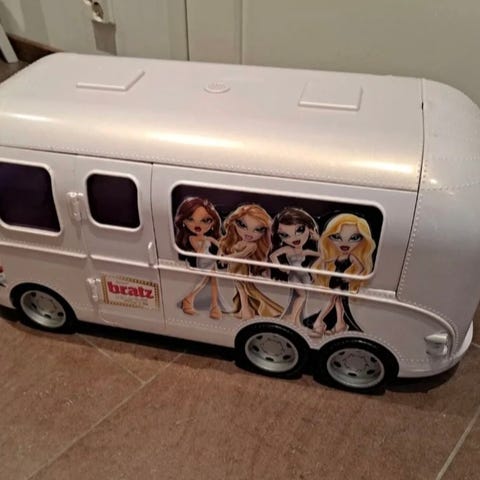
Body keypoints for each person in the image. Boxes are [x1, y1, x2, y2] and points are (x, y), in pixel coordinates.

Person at [306, 213, 376, 336]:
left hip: (341, 282)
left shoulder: (351, 256)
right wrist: (319, 241)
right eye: (336, 237)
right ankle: (340, 325)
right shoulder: (339, 256)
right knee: (338, 303)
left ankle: (318, 323)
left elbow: (361, 268)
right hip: (334, 279)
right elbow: (326, 259)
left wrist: (350, 278)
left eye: (355, 238)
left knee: (331, 300)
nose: (345, 243)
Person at [220, 204, 282, 320]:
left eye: (258, 230)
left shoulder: (252, 245)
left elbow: (242, 255)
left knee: (243, 290)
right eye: (242, 225)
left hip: (241, 268)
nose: (249, 233)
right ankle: (242, 310)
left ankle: (246, 312)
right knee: (240, 289)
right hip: (234, 267)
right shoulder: (238, 240)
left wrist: (227, 258)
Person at [270, 207, 321, 325]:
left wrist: (318, 239)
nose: (294, 238)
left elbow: (322, 254)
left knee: (307, 296)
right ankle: (292, 317)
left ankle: (298, 319)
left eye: (300, 230)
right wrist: (280, 267)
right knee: (302, 296)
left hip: (304, 275)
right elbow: (273, 256)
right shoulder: (288, 249)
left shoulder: (305, 251)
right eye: (285, 235)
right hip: (294, 275)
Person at [174, 197, 222, 319]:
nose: (197, 225)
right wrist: (204, 244)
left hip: (210, 260)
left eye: (205, 220)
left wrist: (219, 255)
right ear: (183, 221)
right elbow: (199, 252)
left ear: (213, 223)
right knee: (203, 281)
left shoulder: (208, 238)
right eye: (190, 219)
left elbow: (220, 246)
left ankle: (214, 306)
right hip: (202, 261)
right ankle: (189, 300)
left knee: (213, 281)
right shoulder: (192, 238)